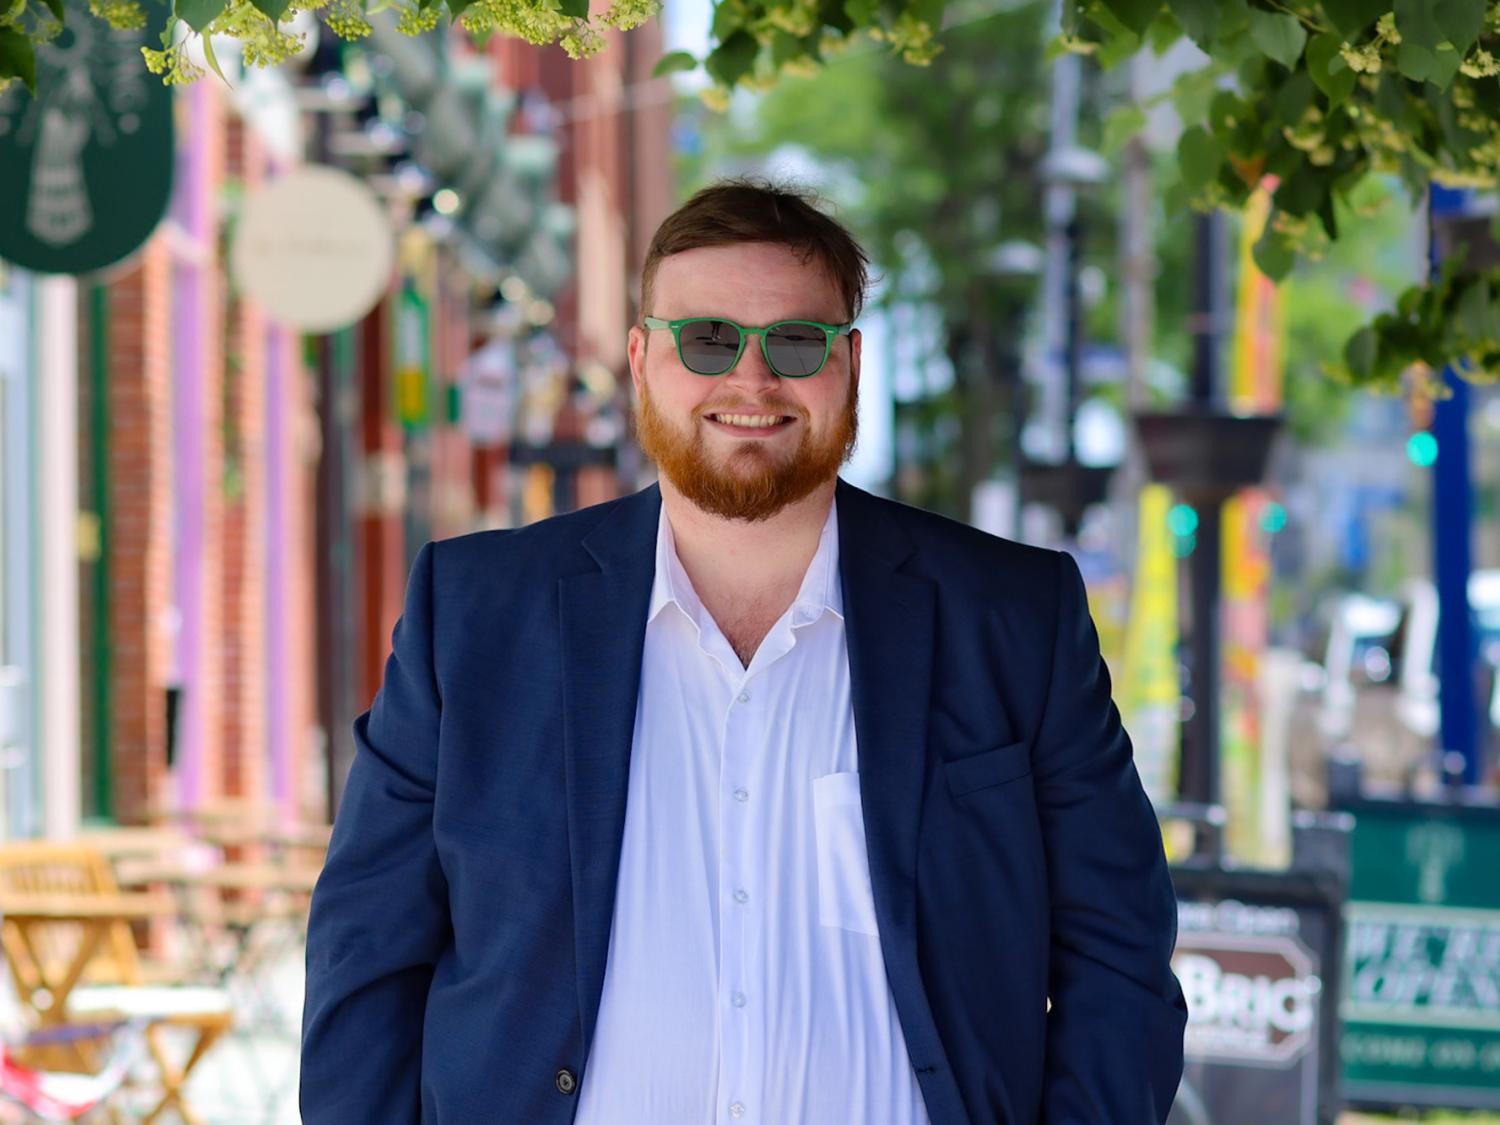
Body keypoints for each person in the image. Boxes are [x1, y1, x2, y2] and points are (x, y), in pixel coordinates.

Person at [300, 178, 1187, 1124]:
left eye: (795, 343)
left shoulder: (1011, 618)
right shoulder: (475, 616)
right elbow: (366, 950)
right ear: (643, 359)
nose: (752, 381)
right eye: (709, 339)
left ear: (848, 365)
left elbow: (1117, 956)